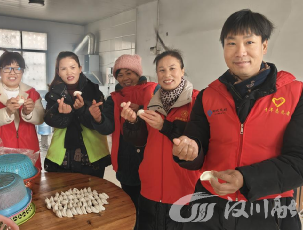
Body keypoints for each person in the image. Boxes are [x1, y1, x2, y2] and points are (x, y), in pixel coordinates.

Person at [172, 9, 303, 230]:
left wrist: (246, 179)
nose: (240, 52)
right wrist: (189, 151)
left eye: (249, 42)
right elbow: (198, 142)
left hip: (269, 211)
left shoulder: (298, 94)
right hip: (209, 207)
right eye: (231, 43)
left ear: (264, 46)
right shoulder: (208, 95)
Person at [121, 50, 201, 230]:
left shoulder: (196, 101)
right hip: (150, 185)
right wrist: (133, 122)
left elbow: (199, 140)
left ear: (182, 70)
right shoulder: (151, 103)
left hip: (183, 187)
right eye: (161, 70)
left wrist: (164, 125)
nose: (167, 75)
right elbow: (142, 140)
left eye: (172, 68)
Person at [89, 54, 159, 229]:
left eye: (129, 73)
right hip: (125, 158)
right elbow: (107, 128)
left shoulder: (153, 90)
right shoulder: (114, 98)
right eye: (120, 75)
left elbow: (163, 113)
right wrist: (98, 119)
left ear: (138, 73)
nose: (125, 78)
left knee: (151, 205)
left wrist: (142, 110)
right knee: (130, 202)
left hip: (151, 157)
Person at [43, 51, 111, 178]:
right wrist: (64, 115)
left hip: (92, 153)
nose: (69, 72)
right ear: (58, 72)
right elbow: (49, 120)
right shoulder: (54, 94)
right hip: (63, 154)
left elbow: (100, 123)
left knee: (92, 193)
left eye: (73, 67)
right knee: (63, 194)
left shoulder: (94, 90)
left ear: (80, 69)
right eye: (63, 69)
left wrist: (82, 110)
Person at [0, 51, 44, 168]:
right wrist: (7, 112)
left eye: (17, 68)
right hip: (0, 152)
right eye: (7, 68)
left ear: (22, 71)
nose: (12, 73)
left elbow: (41, 119)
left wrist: (29, 113)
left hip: (28, 148)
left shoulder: (32, 93)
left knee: (32, 181)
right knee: (3, 182)